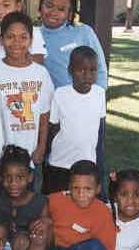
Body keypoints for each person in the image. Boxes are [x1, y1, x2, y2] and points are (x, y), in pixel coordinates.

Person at [0, 12, 53, 192]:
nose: (16, 43)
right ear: (1, 40)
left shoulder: (41, 73)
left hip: (31, 156)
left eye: (23, 37)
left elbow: (45, 113)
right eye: (10, 37)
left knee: (30, 208)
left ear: (31, 40)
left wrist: (41, 147)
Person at [45, 46, 106, 194]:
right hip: (60, 162)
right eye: (82, 70)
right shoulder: (60, 94)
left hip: (87, 162)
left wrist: (98, 157)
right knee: (57, 202)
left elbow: (100, 127)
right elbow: (53, 127)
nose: (88, 75)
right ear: (70, 70)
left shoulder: (100, 93)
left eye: (93, 70)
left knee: (82, 202)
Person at [37, 0, 107, 90]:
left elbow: (100, 69)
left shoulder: (84, 32)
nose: (53, 12)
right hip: (57, 104)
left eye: (61, 9)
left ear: (70, 14)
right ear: (41, 5)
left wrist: (97, 96)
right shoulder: (33, 37)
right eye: (49, 5)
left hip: (86, 101)